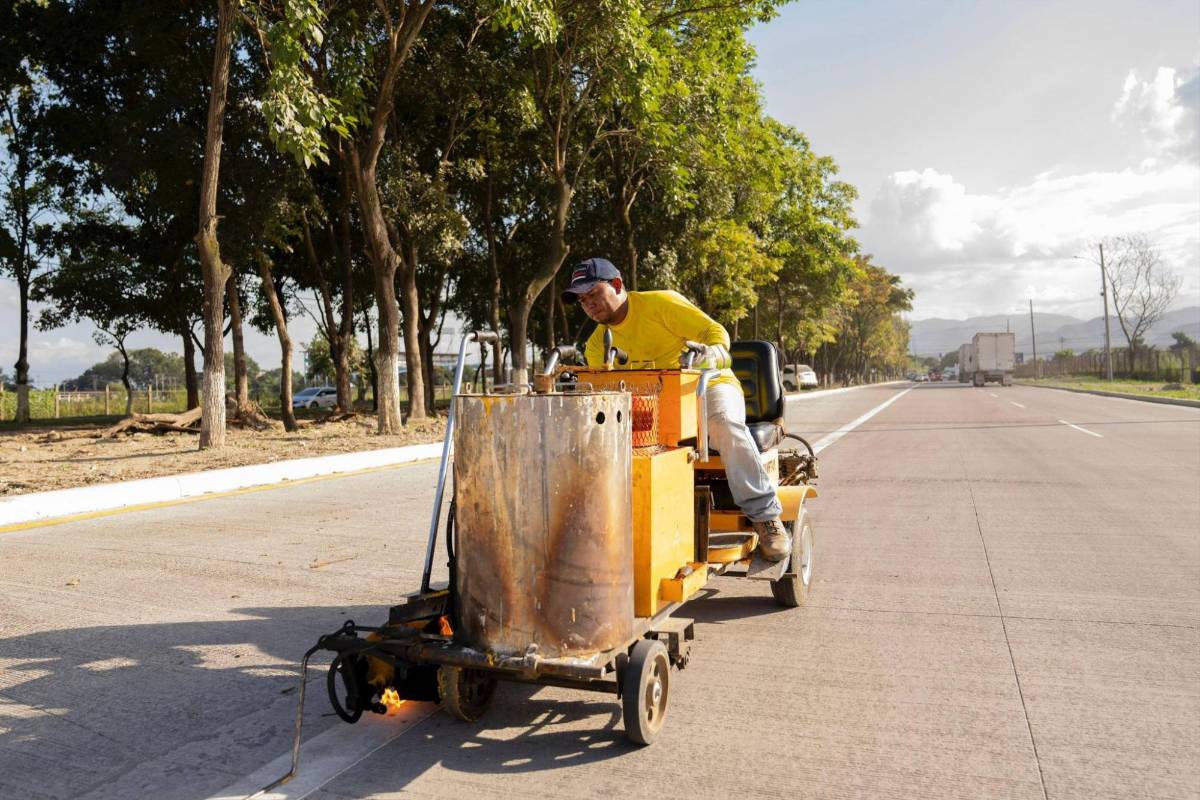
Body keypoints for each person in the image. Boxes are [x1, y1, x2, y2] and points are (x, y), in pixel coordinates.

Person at [562, 257, 791, 562]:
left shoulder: (660, 305)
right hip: (654, 404)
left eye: (593, 293)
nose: (588, 304)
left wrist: (710, 354)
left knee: (723, 423)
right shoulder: (595, 345)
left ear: (617, 285)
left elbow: (715, 333)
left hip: (706, 386)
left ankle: (765, 517)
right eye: (582, 300)